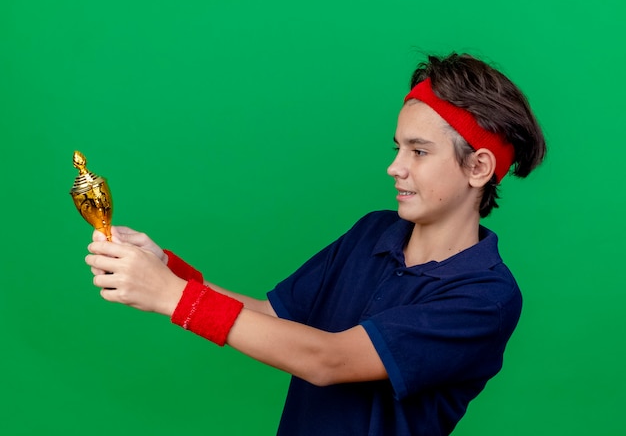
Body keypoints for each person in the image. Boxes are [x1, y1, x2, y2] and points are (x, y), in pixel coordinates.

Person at [85, 52, 546, 435]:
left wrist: (171, 296)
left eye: (419, 151)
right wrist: (167, 270)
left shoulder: (485, 298)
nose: (395, 167)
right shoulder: (373, 232)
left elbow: (329, 359)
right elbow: (270, 316)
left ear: (479, 168)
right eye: (397, 148)